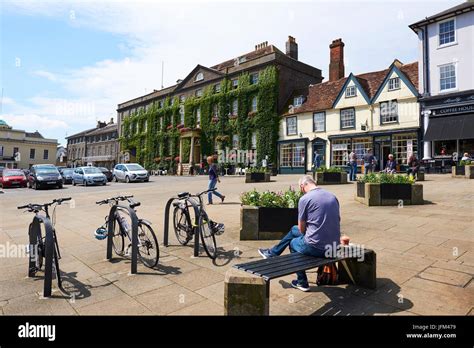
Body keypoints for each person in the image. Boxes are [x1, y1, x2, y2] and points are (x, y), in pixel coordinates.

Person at [258, 175, 341, 292]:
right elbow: (337, 220)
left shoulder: (305, 199)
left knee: (292, 243)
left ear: (302, 186)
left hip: (317, 248)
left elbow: (302, 230)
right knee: (293, 230)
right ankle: (272, 253)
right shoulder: (332, 196)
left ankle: (302, 282)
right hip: (334, 247)